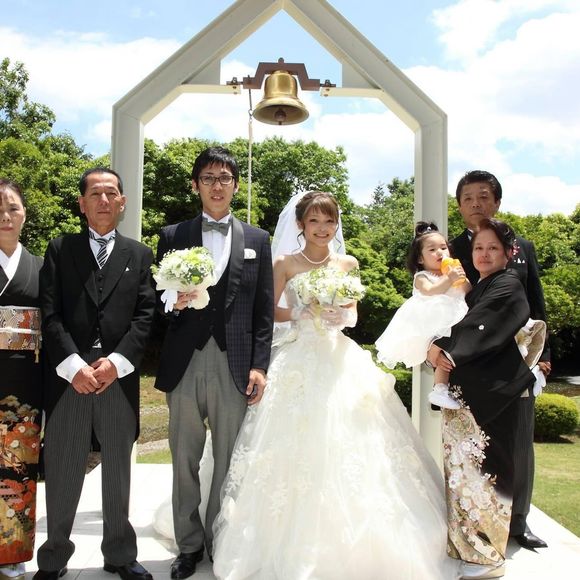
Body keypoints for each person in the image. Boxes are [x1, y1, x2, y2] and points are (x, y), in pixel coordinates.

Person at [212, 191, 459, 580]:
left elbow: (354, 314)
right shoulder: (284, 263)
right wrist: (300, 311)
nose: (323, 228)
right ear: (301, 225)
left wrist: (340, 314)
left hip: (338, 354)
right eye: (314, 221)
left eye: (329, 221)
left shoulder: (348, 263)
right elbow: (269, 311)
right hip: (297, 355)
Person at [154, 146, 274, 579]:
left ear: (236, 185)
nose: (217, 186)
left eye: (224, 178)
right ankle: (188, 547)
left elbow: (263, 311)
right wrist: (173, 300)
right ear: (195, 185)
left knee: (228, 461)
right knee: (184, 458)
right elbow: (155, 300)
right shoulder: (172, 235)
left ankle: (220, 540)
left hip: (234, 363)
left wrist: (260, 366)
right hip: (184, 361)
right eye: (208, 178)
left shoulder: (258, 239)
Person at [35, 168, 155, 580]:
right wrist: (73, 366)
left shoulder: (139, 254)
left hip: (117, 378)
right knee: (63, 468)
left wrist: (116, 363)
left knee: (118, 471)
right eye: (95, 193)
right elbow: (49, 313)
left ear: (123, 202)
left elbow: (145, 316)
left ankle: (119, 555)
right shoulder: (60, 248)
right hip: (70, 377)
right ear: (82, 203)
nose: (104, 200)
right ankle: (54, 558)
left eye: (111, 193)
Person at [428, 218, 536, 580]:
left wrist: (440, 347)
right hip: (467, 394)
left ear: (508, 253)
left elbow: (479, 327)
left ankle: (488, 557)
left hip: (490, 398)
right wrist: (435, 348)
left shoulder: (508, 285)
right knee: (461, 472)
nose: (484, 254)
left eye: (492, 248)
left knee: (486, 474)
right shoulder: (479, 288)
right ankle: (466, 549)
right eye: (478, 248)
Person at [451, 170, 550, 550]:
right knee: (472, 447)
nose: (476, 203)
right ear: (459, 206)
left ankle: (518, 522)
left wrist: (543, 359)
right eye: (468, 198)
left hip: (515, 364)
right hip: (467, 365)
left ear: (496, 202)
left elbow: (536, 301)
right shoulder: (447, 249)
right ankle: (474, 522)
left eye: (483, 196)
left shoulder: (520, 246)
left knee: (519, 444)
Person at [375, 221, 470, 409]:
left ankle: (442, 389)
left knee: (447, 354)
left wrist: (462, 279)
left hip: (457, 317)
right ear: (420, 258)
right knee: (441, 352)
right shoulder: (422, 276)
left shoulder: (452, 273)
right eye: (432, 250)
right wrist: (449, 278)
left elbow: (468, 290)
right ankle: (439, 389)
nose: (440, 252)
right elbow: (430, 291)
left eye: (443, 247)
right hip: (433, 321)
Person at [0, 180, 43, 580]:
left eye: (13, 208)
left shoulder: (41, 267)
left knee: (20, 470)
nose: (5, 216)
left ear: (24, 214)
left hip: (25, 385)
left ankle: (13, 553)